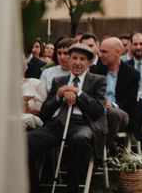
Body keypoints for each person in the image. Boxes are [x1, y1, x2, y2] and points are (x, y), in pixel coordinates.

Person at [27, 43, 107, 193]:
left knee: (81, 139)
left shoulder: (98, 80)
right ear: (68, 60)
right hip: (56, 125)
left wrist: (79, 93)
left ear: (89, 62)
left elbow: (97, 110)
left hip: (82, 124)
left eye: (82, 59)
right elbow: (44, 113)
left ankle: (72, 188)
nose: (77, 62)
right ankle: (33, 187)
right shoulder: (59, 81)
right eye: (74, 58)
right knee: (24, 141)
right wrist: (59, 95)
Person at [92, 37, 139, 147]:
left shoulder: (131, 73)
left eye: (104, 51)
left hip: (122, 113)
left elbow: (130, 100)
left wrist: (112, 105)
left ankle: (101, 151)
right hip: (98, 111)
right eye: (100, 51)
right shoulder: (96, 71)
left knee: (112, 113)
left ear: (118, 52)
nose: (100, 54)